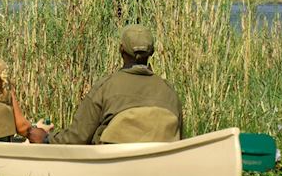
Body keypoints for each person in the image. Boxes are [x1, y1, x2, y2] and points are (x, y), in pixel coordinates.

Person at [25, 24, 182, 144]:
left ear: (121, 50)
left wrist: (46, 138)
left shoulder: (105, 87)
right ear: (152, 52)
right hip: (158, 164)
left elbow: (77, 137)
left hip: (113, 163)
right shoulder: (169, 92)